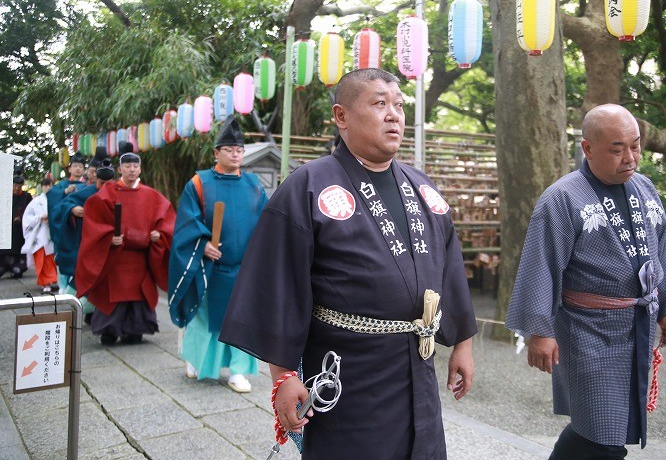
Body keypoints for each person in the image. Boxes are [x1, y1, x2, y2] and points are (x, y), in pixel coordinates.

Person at [220, 68, 477, 459]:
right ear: (341, 117)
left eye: (398, 106)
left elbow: (450, 269)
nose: (394, 115)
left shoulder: (422, 187)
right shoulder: (308, 185)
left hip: (416, 366)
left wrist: (463, 343)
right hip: (347, 372)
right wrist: (284, 376)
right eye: (379, 104)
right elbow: (279, 284)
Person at [506, 104, 666, 459]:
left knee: (605, 425)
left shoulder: (645, 188)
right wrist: (540, 332)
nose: (630, 158)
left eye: (636, 146)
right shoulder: (562, 197)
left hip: (636, 324)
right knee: (601, 430)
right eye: (617, 148)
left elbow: (662, 250)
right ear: (588, 148)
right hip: (586, 331)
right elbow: (542, 263)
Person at [168, 116, 268, 393]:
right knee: (205, 318)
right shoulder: (199, 183)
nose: (235, 154)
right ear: (216, 152)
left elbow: (265, 221)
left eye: (239, 150)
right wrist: (202, 245)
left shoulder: (253, 185)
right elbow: (187, 222)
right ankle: (196, 360)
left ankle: (238, 370)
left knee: (242, 319)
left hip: (244, 268)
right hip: (210, 267)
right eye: (229, 149)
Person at [76, 144, 175, 345]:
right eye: (127, 166)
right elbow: (94, 220)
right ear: (120, 169)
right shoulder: (108, 192)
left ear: (140, 169)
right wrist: (108, 237)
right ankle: (109, 330)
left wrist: (159, 234)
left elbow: (168, 221)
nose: (131, 169)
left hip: (140, 258)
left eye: (134, 166)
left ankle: (135, 330)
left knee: (138, 294)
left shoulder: (151, 195)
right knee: (115, 294)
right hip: (116, 257)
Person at [51, 158, 116, 319]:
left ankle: (96, 314)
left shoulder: (121, 193)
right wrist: (72, 208)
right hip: (88, 246)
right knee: (82, 278)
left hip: (112, 247)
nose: (104, 188)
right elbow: (59, 208)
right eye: (101, 183)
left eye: (108, 184)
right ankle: (69, 311)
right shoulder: (86, 192)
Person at [47, 151, 89, 292]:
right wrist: (64, 193)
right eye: (75, 166)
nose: (78, 169)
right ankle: (63, 294)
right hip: (64, 233)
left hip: (81, 234)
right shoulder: (61, 186)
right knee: (64, 269)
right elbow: (53, 205)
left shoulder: (89, 186)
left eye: (81, 166)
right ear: (69, 168)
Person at [21, 176, 58, 292]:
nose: (48, 188)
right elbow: (27, 218)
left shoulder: (57, 200)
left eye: (50, 185)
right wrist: (39, 218)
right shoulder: (35, 202)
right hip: (39, 235)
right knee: (41, 259)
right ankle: (45, 282)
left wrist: (51, 219)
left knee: (52, 259)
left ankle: (53, 280)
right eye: (46, 185)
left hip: (52, 234)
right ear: (42, 187)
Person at [0, 174, 32, 278]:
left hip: (19, 228)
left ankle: (17, 269)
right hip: (5, 227)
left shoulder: (26, 197)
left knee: (18, 249)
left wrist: (21, 218)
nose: (16, 188)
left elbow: (30, 211)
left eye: (19, 186)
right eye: (14, 186)